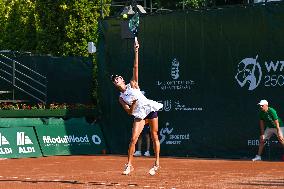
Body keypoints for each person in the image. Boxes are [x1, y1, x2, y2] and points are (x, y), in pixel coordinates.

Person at [111, 40, 163, 175]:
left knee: (154, 135)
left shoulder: (133, 83)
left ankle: (157, 163)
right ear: (115, 84)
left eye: (118, 77)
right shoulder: (121, 98)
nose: (116, 78)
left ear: (122, 79)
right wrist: (133, 104)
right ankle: (129, 165)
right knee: (133, 138)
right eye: (114, 79)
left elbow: (135, 66)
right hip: (139, 113)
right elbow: (129, 112)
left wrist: (136, 50)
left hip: (149, 108)